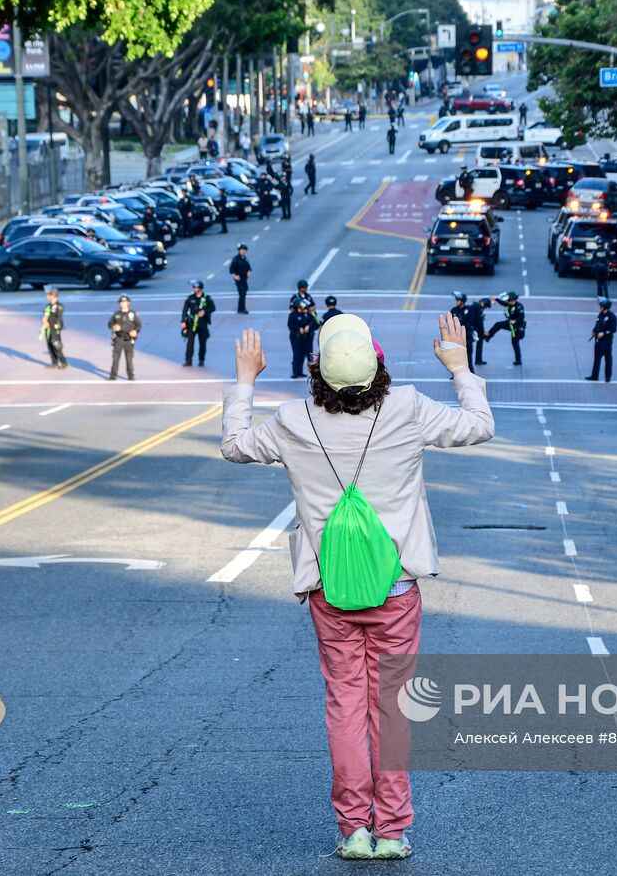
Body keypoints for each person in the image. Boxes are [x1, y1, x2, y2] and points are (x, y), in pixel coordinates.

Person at [221, 312, 493, 861]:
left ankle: (354, 830)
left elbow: (234, 445)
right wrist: (460, 368)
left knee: (345, 705)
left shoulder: (293, 419)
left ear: (315, 367)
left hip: (329, 590)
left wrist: (246, 378)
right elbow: (478, 424)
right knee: (391, 707)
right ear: (379, 365)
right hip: (395, 589)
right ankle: (392, 829)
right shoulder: (409, 407)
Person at [181, 279, 216, 366]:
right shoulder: (190, 298)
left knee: (202, 343)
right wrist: (183, 321)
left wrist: (204, 311)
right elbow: (184, 310)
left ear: (200, 288)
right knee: (190, 343)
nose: (193, 289)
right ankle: (188, 360)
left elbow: (213, 308)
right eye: (193, 287)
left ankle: (201, 360)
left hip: (202, 324)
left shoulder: (207, 298)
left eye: (195, 287)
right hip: (192, 324)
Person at [485, 291, 525, 365]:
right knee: (498, 324)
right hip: (510, 323)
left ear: (513, 300)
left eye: (509, 300)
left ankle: (518, 360)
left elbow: (521, 317)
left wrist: (515, 321)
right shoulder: (508, 304)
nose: (507, 302)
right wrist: (496, 299)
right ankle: (488, 336)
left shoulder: (519, 306)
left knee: (515, 343)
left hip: (517, 327)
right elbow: (502, 303)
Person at [109, 295, 141, 381]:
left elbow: (138, 324)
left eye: (125, 302)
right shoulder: (116, 314)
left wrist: (135, 331)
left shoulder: (132, 314)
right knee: (115, 358)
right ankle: (113, 375)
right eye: (121, 302)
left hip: (128, 339)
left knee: (129, 359)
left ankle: (131, 375)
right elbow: (110, 324)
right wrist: (114, 327)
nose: (123, 304)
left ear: (128, 303)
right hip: (118, 338)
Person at [586, 297, 617, 382]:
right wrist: (594, 331)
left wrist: (604, 333)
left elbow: (614, 329)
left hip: (607, 342)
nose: (599, 308)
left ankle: (608, 377)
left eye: (601, 306)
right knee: (596, 359)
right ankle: (594, 376)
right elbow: (597, 325)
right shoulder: (600, 315)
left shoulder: (612, 317)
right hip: (598, 341)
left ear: (605, 307)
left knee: (608, 360)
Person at [287, 296, 315, 378]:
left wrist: (308, 326)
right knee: (297, 354)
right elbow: (290, 325)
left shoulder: (306, 314)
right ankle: (295, 372)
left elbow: (312, 322)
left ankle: (300, 372)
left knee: (304, 354)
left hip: (305, 337)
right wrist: (298, 328)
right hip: (296, 337)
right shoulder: (292, 315)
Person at [449, 291, 476, 369]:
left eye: (458, 300)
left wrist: (461, 328)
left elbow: (471, 321)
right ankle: (457, 372)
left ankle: (470, 370)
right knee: (456, 354)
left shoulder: (469, 309)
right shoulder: (454, 310)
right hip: (456, 337)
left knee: (468, 354)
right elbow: (450, 321)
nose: (456, 302)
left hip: (467, 336)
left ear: (462, 301)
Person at [42, 288, 67, 369]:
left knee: (56, 345)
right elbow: (45, 315)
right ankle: (54, 363)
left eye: (50, 295)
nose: (48, 297)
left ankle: (63, 362)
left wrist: (51, 323)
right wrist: (44, 320)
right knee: (50, 346)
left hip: (55, 329)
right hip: (48, 328)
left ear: (54, 296)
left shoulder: (59, 306)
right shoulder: (48, 306)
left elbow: (58, 318)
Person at [229, 244, 252, 314]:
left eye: (244, 250)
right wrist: (235, 276)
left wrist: (249, 272)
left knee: (244, 292)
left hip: (244, 278)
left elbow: (249, 267)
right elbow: (231, 269)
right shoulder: (235, 259)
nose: (243, 251)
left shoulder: (245, 258)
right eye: (241, 250)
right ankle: (241, 309)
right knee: (242, 293)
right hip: (239, 278)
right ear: (239, 250)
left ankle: (241, 308)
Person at [469, 297, 489, 366]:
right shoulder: (479, 308)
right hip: (474, 328)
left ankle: (477, 360)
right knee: (479, 341)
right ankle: (478, 360)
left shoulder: (473, 305)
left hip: (469, 326)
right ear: (484, 304)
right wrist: (482, 331)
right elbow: (479, 321)